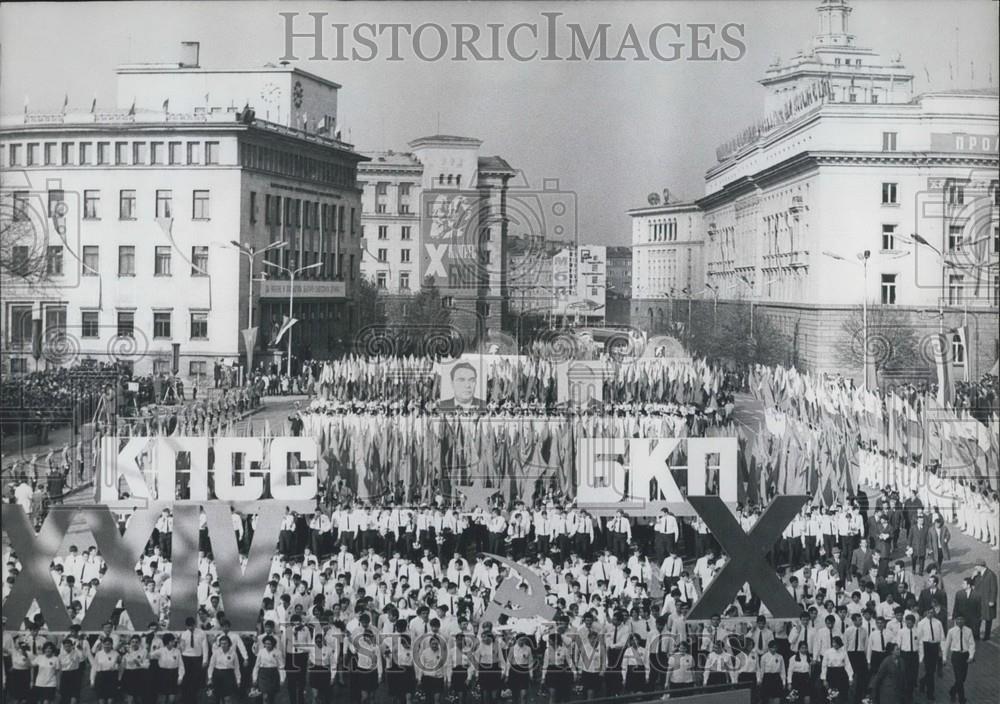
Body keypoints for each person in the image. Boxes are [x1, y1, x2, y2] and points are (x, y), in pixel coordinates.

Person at [942, 614, 976, 704]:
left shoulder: (968, 631)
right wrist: (944, 658)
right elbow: (946, 645)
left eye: (962, 619)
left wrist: (971, 656)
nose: (960, 621)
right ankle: (962, 699)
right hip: (956, 656)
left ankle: (952, 691)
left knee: (962, 678)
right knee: (959, 678)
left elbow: (972, 644)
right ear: (955, 620)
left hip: (965, 656)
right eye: (958, 619)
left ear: (964, 620)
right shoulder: (951, 631)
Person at [207, 635, 240, 704]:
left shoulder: (233, 653)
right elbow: (211, 666)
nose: (223, 645)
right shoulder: (216, 652)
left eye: (225, 643)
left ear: (229, 644)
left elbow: (237, 668)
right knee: (217, 697)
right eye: (222, 643)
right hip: (217, 675)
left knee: (227, 698)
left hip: (228, 675)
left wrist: (238, 680)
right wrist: (210, 677)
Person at [820, 635, 853, 704]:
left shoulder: (843, 652)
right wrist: (824, 679)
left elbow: (848, 665)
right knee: (830, 695)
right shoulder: (828, 652)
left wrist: (850, 677)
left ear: (839, 643)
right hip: (831, 674)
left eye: (836, 643)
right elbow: (824, 666)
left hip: (841, 674)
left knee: (842, 695)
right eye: (833, 642)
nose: (834, 644)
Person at [973, 557, 998, 641]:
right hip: (979, 600)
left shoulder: (991, 574)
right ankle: (976, 635)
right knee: (977, 618)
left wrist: (992, 600)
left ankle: (987, 636)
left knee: (988, 619)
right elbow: (972, 584)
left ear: (981, 566)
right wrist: (972, 577)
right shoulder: (977, 574)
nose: (975, 568)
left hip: (987, 600)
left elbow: (994, 589)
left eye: (976, 566)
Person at [58, 638, 86, 704]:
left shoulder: (77, 653)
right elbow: (59, 668)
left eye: (69, 646)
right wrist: (59, 680)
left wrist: (80, 649)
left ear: (72, 646)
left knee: (74, 694)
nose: (67, 648)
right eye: (65, 646)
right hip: (65, 675)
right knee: (65, 695)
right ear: (63, 647)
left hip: (75, 674)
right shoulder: (60, 655)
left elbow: (83, 658)